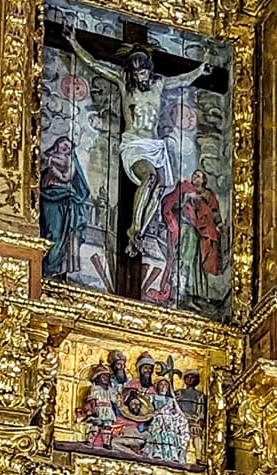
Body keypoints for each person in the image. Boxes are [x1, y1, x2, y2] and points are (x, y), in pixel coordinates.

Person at [67, 34, 208, 255]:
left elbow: (181, 80)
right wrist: (74, 43)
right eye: (135, 73)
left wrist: (199, 70)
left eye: (142, 72)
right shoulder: (125, 84)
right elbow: (95, 65)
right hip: (134, 144)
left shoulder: (159, 84)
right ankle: (133, 226)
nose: (139, 76)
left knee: (159, 188)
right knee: (149, 178)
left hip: (155, 146)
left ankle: (139, 232)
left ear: (149, 70)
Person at [162, 168, 225, 306]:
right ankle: (180, 295)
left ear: (203, 180)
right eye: (194, 175)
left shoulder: (208, 194)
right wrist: (187, 197)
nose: (195, 177)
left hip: (202, 232)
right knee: (185, 259)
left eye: (199, 176)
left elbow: (214, 210)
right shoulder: (185, 188)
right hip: (188, 227)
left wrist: (218, 223)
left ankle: (198, 295)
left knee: (199, 264)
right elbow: (174, 204)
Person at [39, 134, 92, 279]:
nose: (65, 147)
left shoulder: (69, 162)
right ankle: (45, 265)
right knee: (49, 230)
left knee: (60, 234)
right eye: (64, 143)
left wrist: (52, 167)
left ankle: (54, 268)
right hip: (47, 196)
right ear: (57, 144)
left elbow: (66, 177)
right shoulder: (47, 157)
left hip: (62, 197)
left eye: (68, 147)